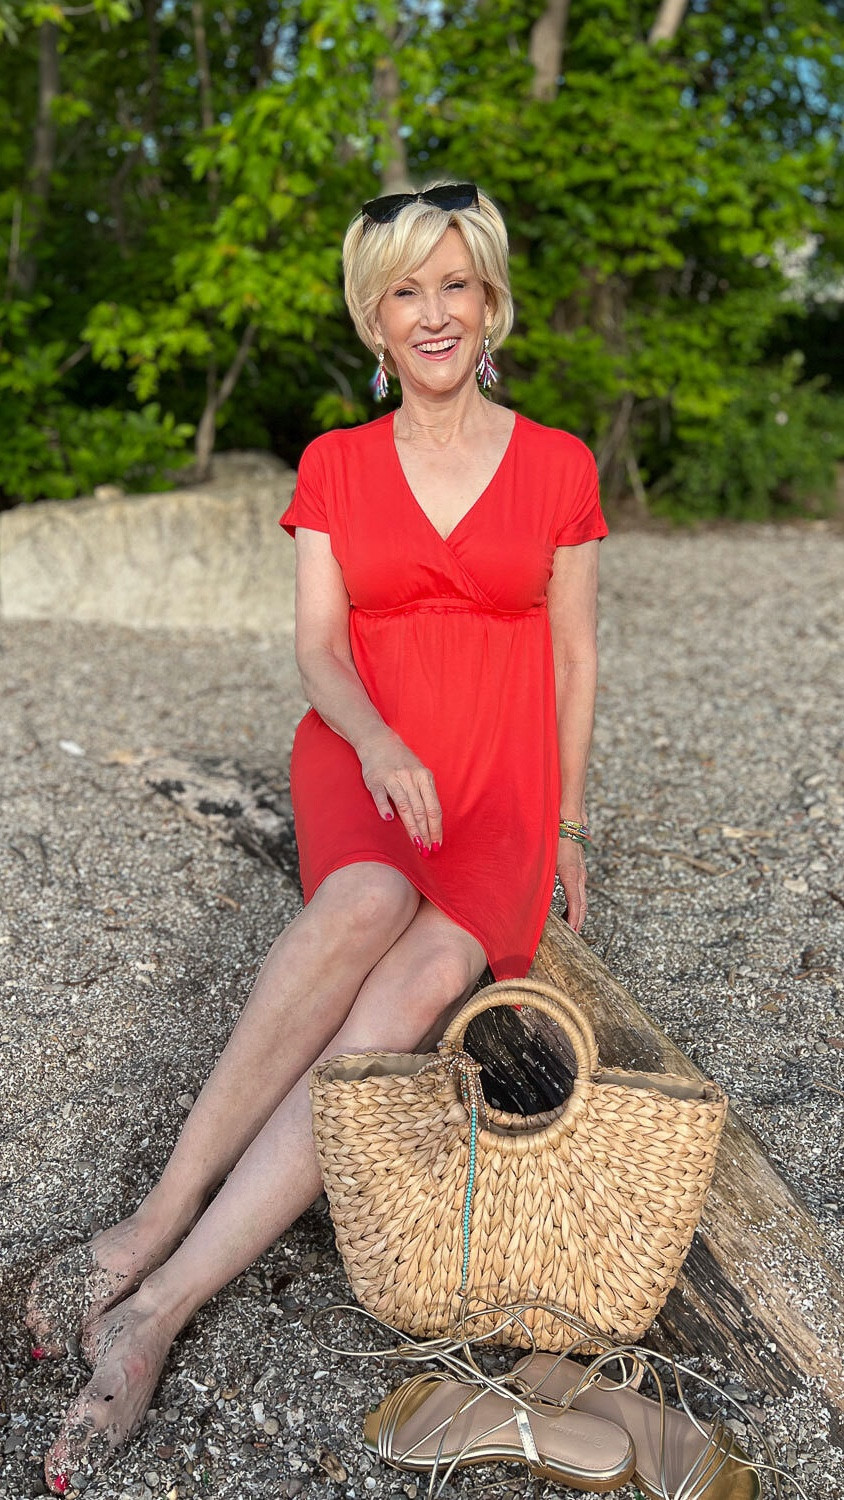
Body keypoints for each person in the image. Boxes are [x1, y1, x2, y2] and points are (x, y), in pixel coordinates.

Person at [28, 180, 607, 1493]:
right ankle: (152, 1222)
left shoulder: (561, 463)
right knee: (354, 910)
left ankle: (159, 1310)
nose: (434, 312)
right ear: (374, 318)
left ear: (491, 297)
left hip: (501, 791)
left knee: (411, 983)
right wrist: (382, 743)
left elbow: (574, 664)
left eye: (455, 284)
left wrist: (564, 820)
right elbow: (316, 647)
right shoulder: (339, 464)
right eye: (406, 291)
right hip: (366, 752)